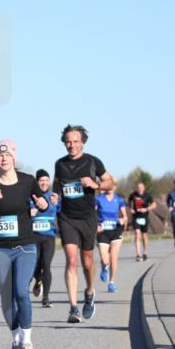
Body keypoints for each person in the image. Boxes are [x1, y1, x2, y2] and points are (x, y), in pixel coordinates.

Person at [0, 141, 49, 349]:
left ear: (15, 157)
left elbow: (42, 202)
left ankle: (26, 343)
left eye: (7, 154)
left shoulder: (28, 181)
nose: (4, 158)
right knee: (7, 299)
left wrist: (44, 204)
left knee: (21, 292)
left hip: (25, 245)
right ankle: (16, 341)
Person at [53, 124, 115, 323]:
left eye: (75, 142)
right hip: (67, 217)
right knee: (71, 261)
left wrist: (96, 184)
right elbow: (57, 186)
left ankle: (89, 292)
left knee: (87, 262)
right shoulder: (60, 164)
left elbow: (109, 182)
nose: (71, 145)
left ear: (83, 142)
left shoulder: (93, 161)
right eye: (68, 142)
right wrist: (54, 196)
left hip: (88, 217)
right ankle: (73, 308)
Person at [30, 169, 59, 308]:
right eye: (41, 180)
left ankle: (46, 298)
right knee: (34, 266)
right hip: (33, 236)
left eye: (47, 180)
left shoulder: (54, 197)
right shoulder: (30, 197)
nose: (44, 183)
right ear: (37, 182)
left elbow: (63, 212)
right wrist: (31, 212)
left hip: (49, 236)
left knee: (46, 264)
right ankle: (38, 279)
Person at [95, 184, 128, 293]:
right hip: (102, 232)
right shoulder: (98, 199)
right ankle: (104, 267)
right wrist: (96, 226)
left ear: (114, 186)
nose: (110, 187)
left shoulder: (119, 200)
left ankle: (111, 282)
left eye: (112, 185)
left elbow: (125, 216)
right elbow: (92, 213)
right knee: (105, 260)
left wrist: (123, 220)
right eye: (107, 185)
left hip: (116, 230)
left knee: (114, 258)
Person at [128, 182, 156, 261]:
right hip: (136, 217)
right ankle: (138, 254)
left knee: (144, 235)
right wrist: (131, 209)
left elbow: (154, 205)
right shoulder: (133, 195)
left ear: (144, 188)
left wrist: (146, 209)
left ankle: (145, 253)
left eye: (141, 187)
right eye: (138, 187)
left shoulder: (147, 196)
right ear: (137, 188)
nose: (140, 189)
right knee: (137, 234)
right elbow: (128, 203)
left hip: (144, 217)